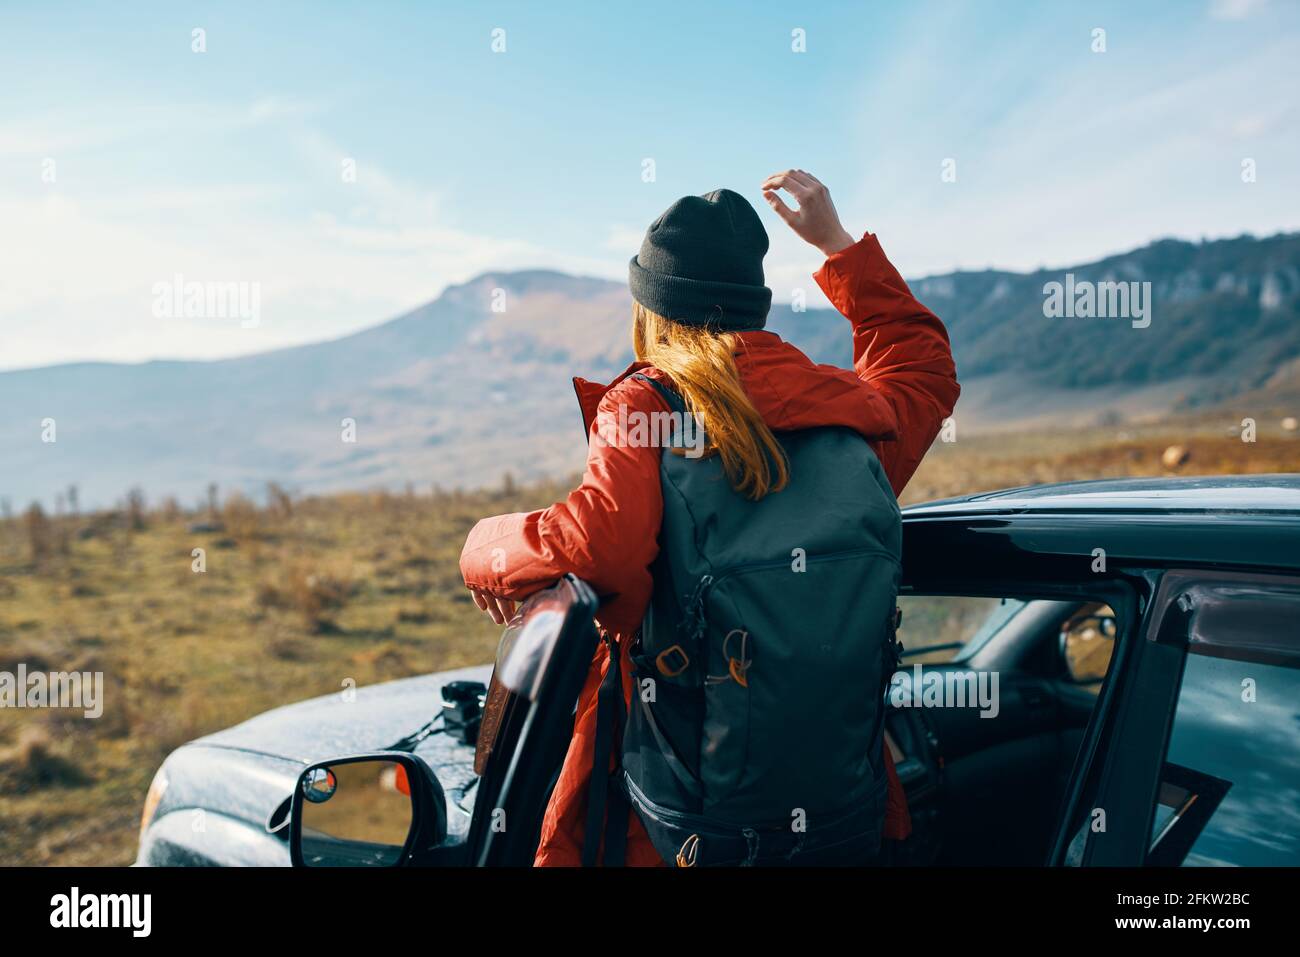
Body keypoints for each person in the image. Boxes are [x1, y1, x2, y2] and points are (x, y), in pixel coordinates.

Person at [460, 169, 959, 866]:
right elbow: (923, 366)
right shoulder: (851, 416)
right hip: (842, 816)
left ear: (654, 312)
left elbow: (601, 552)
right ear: (753, 308)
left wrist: (483, 548)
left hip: (673, 830)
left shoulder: (647, 406)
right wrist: (838, 245)